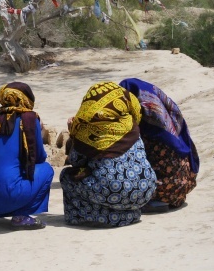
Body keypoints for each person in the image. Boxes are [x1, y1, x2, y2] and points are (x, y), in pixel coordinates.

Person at [60, 81, 156, 228]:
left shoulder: (85, 129)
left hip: (115, 190)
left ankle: (103, 217)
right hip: (146, 189)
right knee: (115, 182)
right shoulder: (130, 124)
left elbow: (76, 161)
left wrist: (74, 134)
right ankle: (130, 213)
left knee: (67, 176)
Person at [0, 82, 54, 230]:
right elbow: (38, 157)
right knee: (46, 169)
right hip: (5, 196)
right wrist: (39, 130)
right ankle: (21, 216)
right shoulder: (29, 120)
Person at [119, 78, 199, 211]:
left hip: (164, 189)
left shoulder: (147, 126)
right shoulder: (169, 117)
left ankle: (156, 200)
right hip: (184, 185)